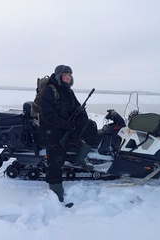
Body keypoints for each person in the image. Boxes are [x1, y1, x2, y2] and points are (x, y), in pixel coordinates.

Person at [40, 65, 98, 204]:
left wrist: (82, 119)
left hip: (67, 128)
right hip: (54, 132)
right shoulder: (49, 91)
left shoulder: (68, 91)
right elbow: (48, 116)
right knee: (56, 161)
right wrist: (68, 125)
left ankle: (80, 159)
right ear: (59, 76)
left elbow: (78, 108)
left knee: (91, 126)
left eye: (70, 75)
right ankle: (56, 196)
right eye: (66, 75)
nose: (68, 77)